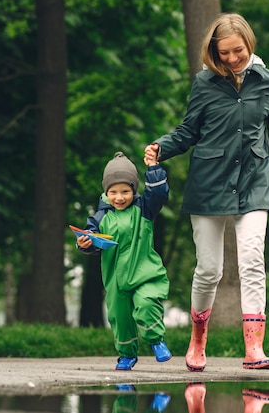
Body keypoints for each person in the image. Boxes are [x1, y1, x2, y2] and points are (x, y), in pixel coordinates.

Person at [145, 12, 269, 372]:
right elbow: (188, 131)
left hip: (254, 181)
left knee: (252, 260)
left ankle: (254, 348)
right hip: (209, 184)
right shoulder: (204, 83)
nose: (233, 59)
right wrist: (161, 147)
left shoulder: (268, 81)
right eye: (225, 54)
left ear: (248, 44)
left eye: (238, 51)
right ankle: (198, 337)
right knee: (209, 270)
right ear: (214, 53)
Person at [76, 150, 172, 371]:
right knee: (120, 317)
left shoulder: (144, 209)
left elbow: (158, 194)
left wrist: (154, 168)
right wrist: (84, 244)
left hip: (144, 273)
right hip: (116, 279)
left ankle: (156, 341)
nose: (119, 197)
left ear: (133, 190)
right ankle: (127, 354)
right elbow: (90, 239)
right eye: (113, 192)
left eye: (125, 191)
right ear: (106, 192)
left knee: (147, 303)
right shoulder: (100, 217)